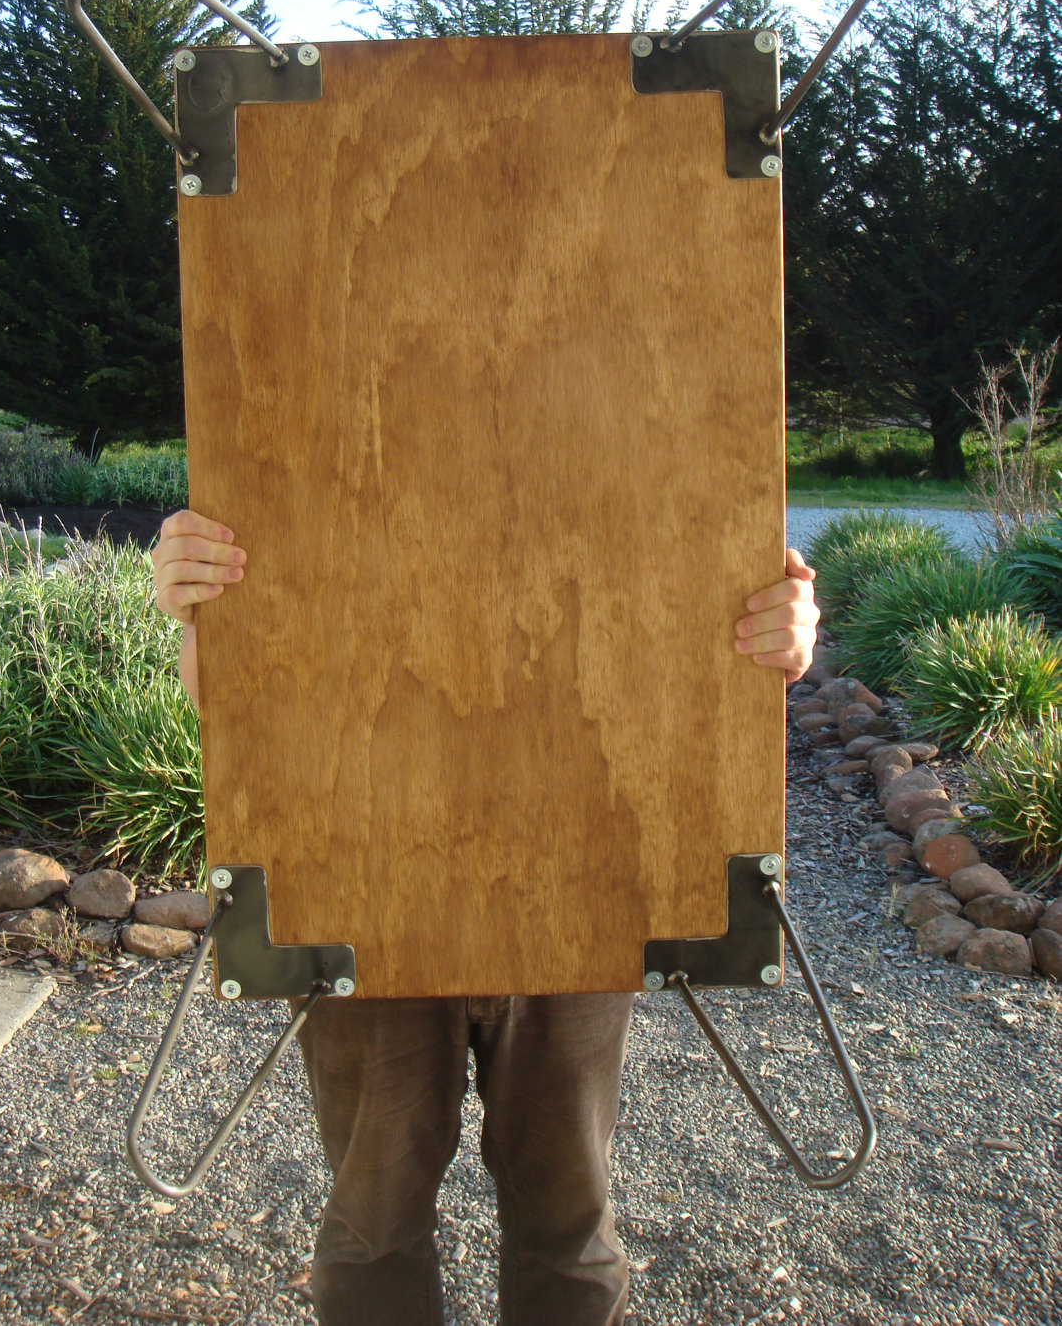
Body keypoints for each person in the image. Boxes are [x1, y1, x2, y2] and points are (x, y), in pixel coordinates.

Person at [152, 511, 820, 1326]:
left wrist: (767, 637)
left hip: (575, 895)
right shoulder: (311, 419)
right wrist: (204, 616)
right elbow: (234, 700)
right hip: (365, 890)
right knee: (374, 1230)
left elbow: (686, 633)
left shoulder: (614, 416)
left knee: (566, 1229)